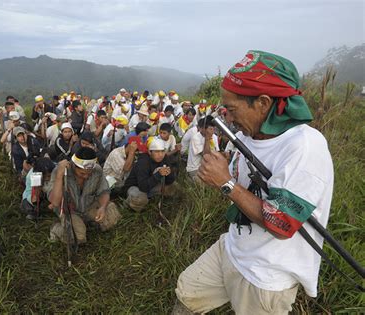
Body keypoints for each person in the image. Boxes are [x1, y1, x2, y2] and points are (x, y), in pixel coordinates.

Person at [173, 51, 334, 315]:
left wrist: (226, 183)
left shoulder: (304, 148)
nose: (228, 117)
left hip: (266, 275)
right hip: (233, 248)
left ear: (262, 103)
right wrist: (224, 163)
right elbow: (242, 172)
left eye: (232, 109)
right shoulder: (250, 134)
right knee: (188, 295)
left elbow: (282, 224)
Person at [48, 147, 121, 244]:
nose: (86, 176)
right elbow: (55, 202)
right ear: (74, 166)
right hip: (70, 211)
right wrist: (59, 176)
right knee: (78, 238)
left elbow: (104, 191)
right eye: (82, 173)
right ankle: (57, 229)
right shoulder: (61, 171)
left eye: (89, 174)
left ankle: (86, 223)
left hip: (89, 206)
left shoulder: (97, 170)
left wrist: (102, 207)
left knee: (112, 216)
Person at [123, 138, 177, 212]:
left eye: (162, 151)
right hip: (136, 186)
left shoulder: (165, 158)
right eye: (157, 152)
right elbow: (143, 187)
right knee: (140, 199)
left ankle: (151, 199)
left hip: (151, 185)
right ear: (150, 152)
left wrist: (169, 174)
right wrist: (159, 174)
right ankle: (127, 204)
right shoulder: (143, 162)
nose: (160, 155)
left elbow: (169, 181)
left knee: (174, 186)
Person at [185, 117, 219, 183]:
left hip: (209, 167)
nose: (212, 131)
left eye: (213, 129)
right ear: (203, 128)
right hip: (195, 168)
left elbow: (216, 153)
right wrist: (207, 138)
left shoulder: (214, 137)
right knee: (205, 183)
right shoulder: (195, 138)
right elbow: (206, 155)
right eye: (210, 129)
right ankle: (191, 179)